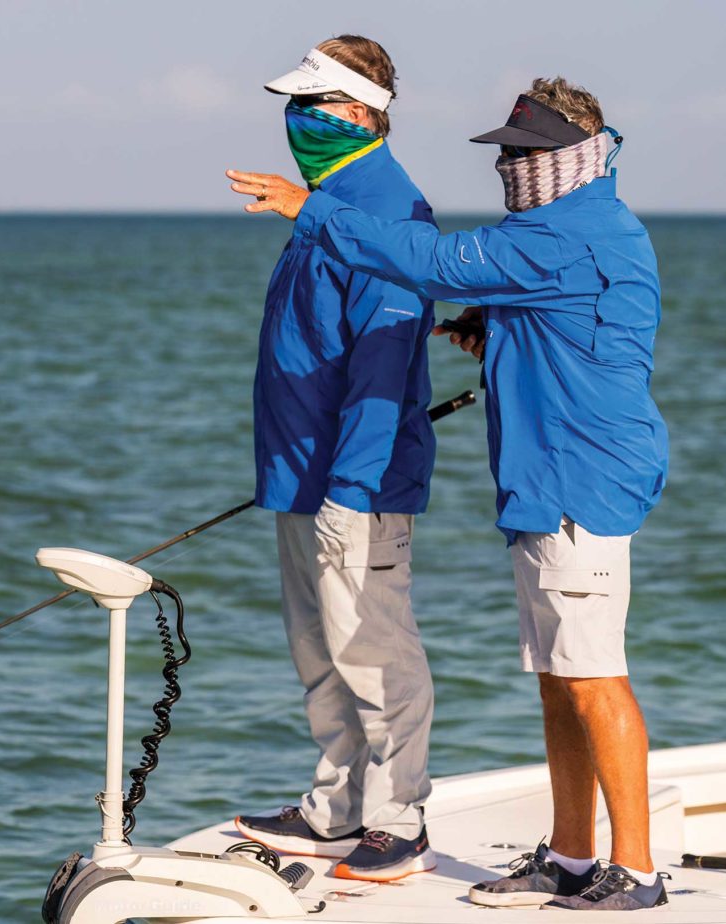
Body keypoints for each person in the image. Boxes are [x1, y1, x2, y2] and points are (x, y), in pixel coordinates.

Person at [228, 77, 670, 911]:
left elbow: (430, 260)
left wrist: (307, 208)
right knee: (557, 677)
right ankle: (572, 858)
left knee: (595, 678)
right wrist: (494, 326)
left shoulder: (566, 235)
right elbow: (556, 314)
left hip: (582, 485)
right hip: (546, 484)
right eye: (506, 152)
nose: (508, 166)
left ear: (567, 156)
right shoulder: (559, 232)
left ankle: (637, 871)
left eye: (522, 153)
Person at [232, 35, 438, 883]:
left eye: (312, 105)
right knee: (320, 652)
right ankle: (336, 811)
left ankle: (401, 820)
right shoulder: (325, 197)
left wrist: (351, 490)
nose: (295, 119)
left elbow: (380, 366)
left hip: (354, 482)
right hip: (298, 473)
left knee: (372, 647)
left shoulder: (387, 208)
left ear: (360, 113)